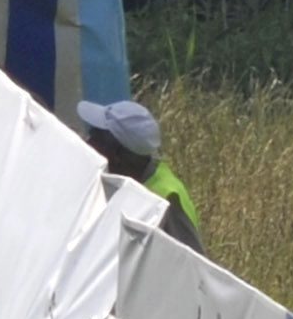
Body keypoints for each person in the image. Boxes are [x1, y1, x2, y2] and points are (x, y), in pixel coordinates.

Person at [76, 97, 204, 249]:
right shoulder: (128, 181)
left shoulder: (166, 198)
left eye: (95, 138)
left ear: (117, 154)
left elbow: (190, 260)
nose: (88, 142)